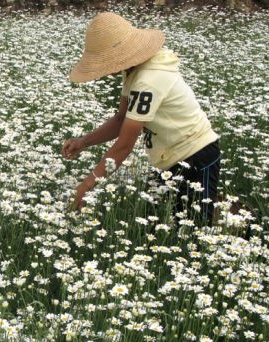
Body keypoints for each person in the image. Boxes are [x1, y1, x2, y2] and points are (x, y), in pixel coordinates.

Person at [62, 12, 220, 226]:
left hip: (196, 155)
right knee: (154, 223)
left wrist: (86, 185)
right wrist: (83, 142)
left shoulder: (149, 80)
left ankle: (242, 226)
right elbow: (120, 120)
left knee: (195, 227)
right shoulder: (135, 70)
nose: (104, 71)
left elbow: (124, 146)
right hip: (169, 159)